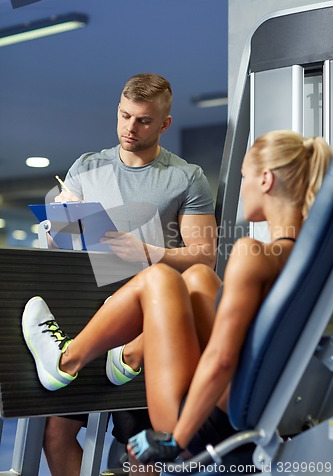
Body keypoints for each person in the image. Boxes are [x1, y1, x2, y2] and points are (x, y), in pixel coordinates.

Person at [22, 130, 332, 467]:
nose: (242, 187)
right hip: (250, 410)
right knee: (196, 276)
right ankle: (125, 354)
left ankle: (66, 360)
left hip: (202, 425)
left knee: (158, 278)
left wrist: (175, 439)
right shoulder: (307, 262)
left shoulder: (253, 253)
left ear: (266, 180)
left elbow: (222, 358)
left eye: (244, 176)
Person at [42, 72, 217, 476]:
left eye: (142, 120)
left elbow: (204, 258)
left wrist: (148, 252)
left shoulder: (186, 177)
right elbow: (58, 247)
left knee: (140, 452)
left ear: (164, 124)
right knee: (56, 434)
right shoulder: (86, 167)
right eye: (124, 116)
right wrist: (57, 221)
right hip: (89, 316)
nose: (130, 128)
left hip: (145, 327)